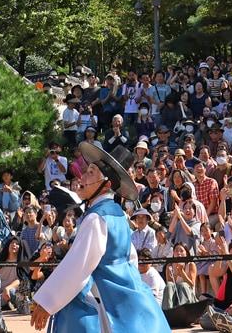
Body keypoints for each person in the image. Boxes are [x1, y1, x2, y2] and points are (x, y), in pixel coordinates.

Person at [29, 143, 168, 333]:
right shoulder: (117, 213)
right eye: (86, 171)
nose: (83, 177)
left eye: (91, 173)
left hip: (106, 296)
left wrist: (47, 301)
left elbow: (79, 264)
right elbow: (131, 258)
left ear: (107, 184)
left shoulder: (96, 217)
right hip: (128, 293)